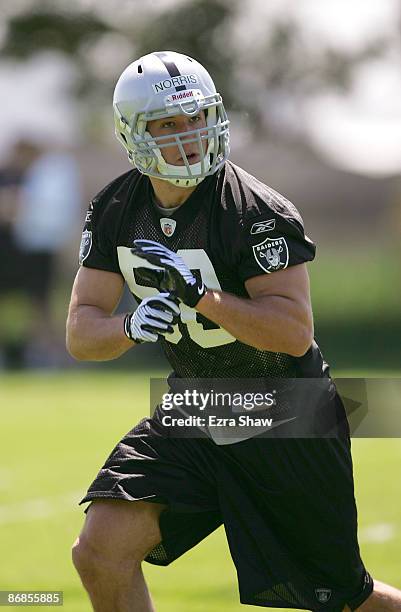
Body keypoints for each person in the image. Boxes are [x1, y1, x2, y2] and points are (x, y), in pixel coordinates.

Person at [67, 51, 401, 611]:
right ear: (132, 132)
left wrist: (200, 296)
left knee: (342, 599)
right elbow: (81, 331)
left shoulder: (255, 211)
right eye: (167, 124)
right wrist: (130, 325)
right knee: (99, 550)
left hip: (286, 411)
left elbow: (293, 332)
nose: (188, 136)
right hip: (199, 406)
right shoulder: (117, 207)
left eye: (195, 117)